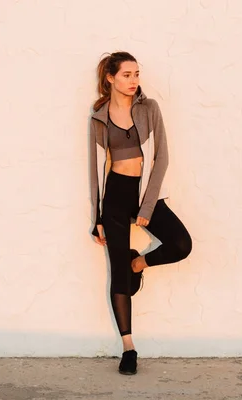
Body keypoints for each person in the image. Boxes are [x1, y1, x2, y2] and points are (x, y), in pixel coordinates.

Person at [88, 51, 192, 375]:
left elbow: (162, 158)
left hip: (148, 194)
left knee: (181, 244)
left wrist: (147, 207)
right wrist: (97, 219)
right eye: (127, 75)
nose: (134, 81)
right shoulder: (99, 117)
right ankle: (129, 348)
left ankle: (139, 262)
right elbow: (95, 168)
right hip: (116, 196)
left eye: (136, 74)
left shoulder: (150, 109)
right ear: (110, 78)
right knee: (118, 273)